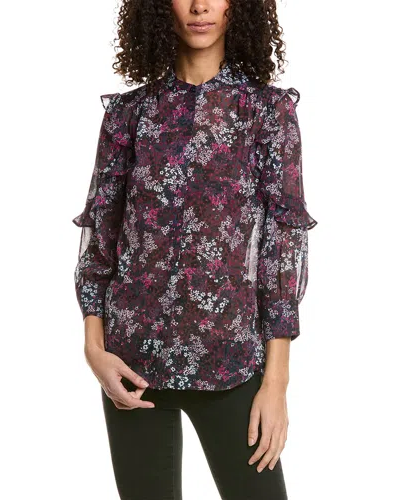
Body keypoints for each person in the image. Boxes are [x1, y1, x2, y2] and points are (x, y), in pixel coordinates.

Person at [72, 1, 318, 499]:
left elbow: (282, 251)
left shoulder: (267, 112)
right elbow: (101, 240)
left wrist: (276, 383)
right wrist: (94, 350)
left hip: (231, 362)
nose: (200, 6)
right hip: (132, 366)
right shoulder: (129, 114)